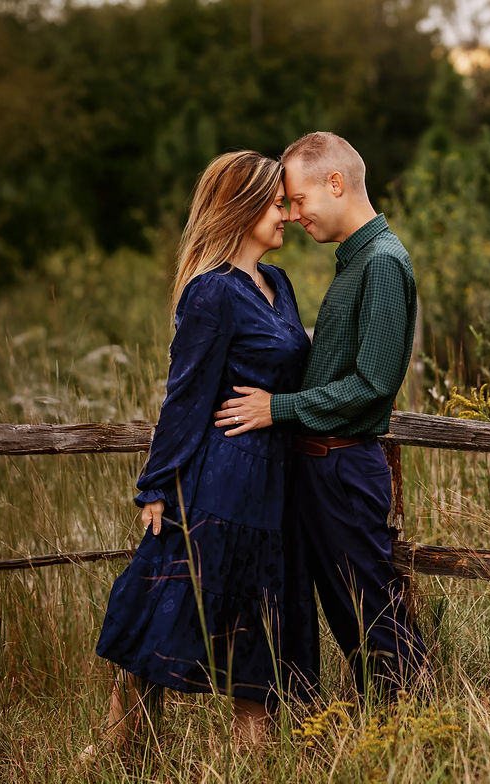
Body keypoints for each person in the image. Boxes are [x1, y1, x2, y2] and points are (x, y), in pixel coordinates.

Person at [92, 150, 318, 748]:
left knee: (257, 632)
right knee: (168, 616)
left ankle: (256, 761)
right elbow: (186, 396)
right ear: (241, 208)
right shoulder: (211, 293)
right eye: (275, 203)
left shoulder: (279, 284)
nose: (288, 216)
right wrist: (157, 485)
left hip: (272, 484)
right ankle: (118, 754)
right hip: (217, 482)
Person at [214, 131, 429, 700]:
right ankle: (365, 727)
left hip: (343, 468)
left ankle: (418, 727)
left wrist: (276, 407)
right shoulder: (356, 262)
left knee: (370, 613)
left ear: (335, 183)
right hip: (319, 467)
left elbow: (373, 384)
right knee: (338, 616)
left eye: (299, 199)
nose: (294, 213)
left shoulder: (382, 263)